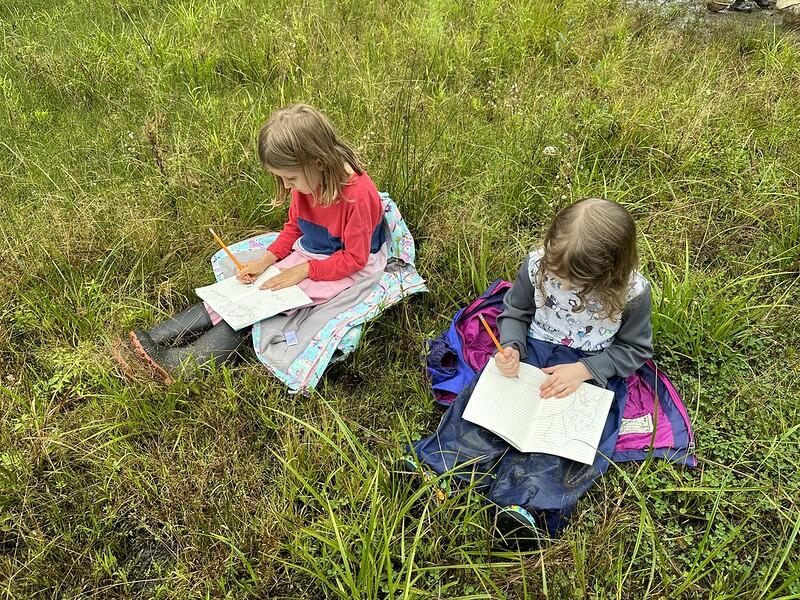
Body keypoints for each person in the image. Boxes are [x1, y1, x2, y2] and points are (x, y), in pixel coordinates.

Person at [403, 197, 653, 548]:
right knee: (485, 411)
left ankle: (527, 507)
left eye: (576, 283)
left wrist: (584, 369)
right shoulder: (537, 265)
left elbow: (635, 349)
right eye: (558, 277)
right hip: (533, 352)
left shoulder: (632, 293)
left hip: (588, 370)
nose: (563, 286)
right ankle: (440, 470)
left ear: (610, 273)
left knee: (560, 442)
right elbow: (515, 311)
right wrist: (511, 347)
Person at [116, 103, 388, 384]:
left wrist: (303, 270)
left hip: (347, 266)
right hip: (315, 252)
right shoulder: (307, 181)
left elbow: (356, 259)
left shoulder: (358, 196)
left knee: (267, 304)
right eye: (281, 178)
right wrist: (266, 260)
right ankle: (157, 338)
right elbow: (295, 227)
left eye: (290, 178)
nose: (286, 185)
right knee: (246, 287)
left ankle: (188, 363)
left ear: (317, 162)